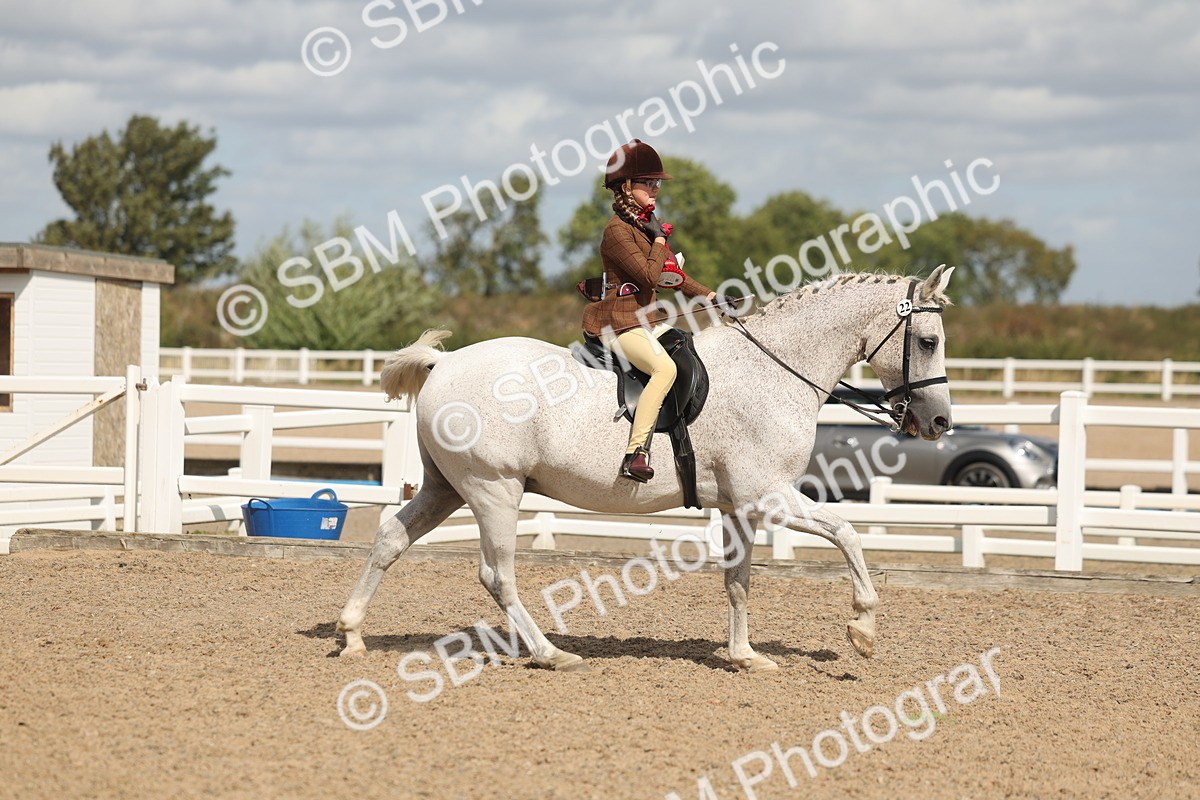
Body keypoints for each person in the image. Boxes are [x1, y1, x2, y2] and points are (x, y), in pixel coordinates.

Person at [582, 139, 719, 483]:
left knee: (688, 345)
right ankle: (636, 454)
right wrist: (659, 240)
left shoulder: (643, 225)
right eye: (649, 183)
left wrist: (710, 295)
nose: (656, 189)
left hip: (644, 320)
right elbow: (648, 275)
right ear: (627, 187)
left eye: (657, 183)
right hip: (617, 324)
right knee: (663, 369)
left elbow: (671, 275)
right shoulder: (616, 231)